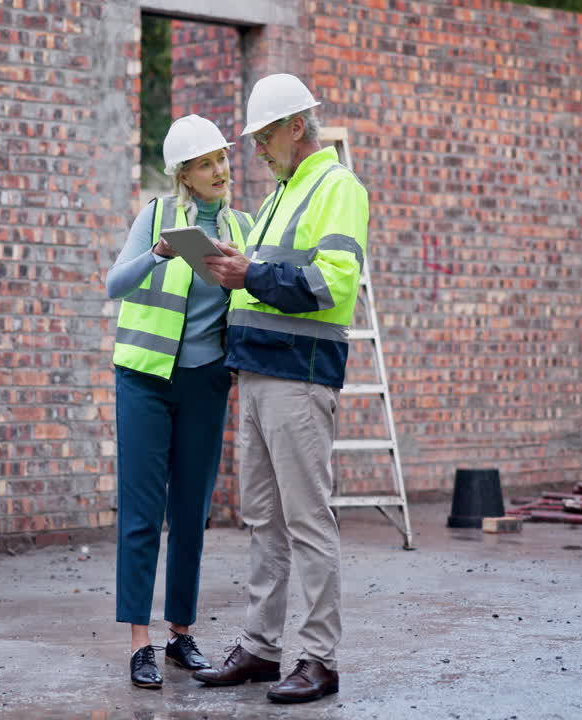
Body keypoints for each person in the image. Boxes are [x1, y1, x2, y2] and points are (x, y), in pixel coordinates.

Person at [193, 73, 369, 704]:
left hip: (299, 376)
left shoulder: (337, 187)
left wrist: (253, 273)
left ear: (297, 127)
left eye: (263, 137)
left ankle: (319, 658)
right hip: (261, 373)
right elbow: (266, 279)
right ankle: (262, 649)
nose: (256, 151)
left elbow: (333, 286)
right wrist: (231, 268)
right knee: (264, 519)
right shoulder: (280, 194)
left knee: (306, 519)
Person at [105, 114, 254, 690]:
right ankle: (139, 641)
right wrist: (161, 254)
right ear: (184, 175)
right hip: (143, 379)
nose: (220, 170)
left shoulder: (244, 224)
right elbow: (115, 284)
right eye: (206, 163)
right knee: (142, 512)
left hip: (206, 383)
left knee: (191, 513)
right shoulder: (156, 217)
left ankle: (180, 634)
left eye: (222, 158)